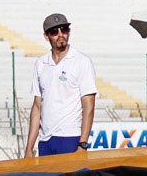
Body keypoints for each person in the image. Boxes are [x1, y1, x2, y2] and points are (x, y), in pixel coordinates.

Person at [25, 13, 97, 157]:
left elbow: (89, 106)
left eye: (64, 29)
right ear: (46, 36)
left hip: (70, 137)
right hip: (45, 140)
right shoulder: (40, 64)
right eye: (54, 31)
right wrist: (29, 148)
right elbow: (37, 106)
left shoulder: (81, 61)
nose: (60, 34)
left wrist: (83, 144)